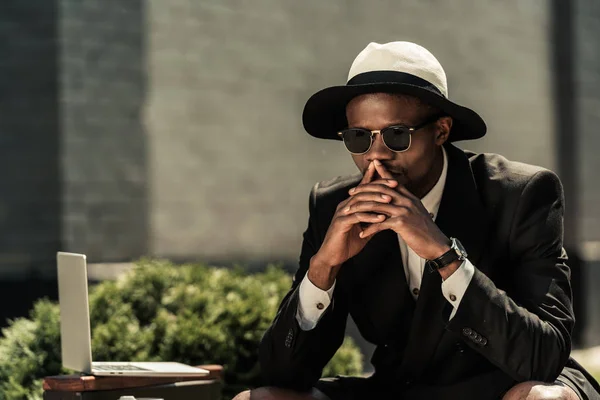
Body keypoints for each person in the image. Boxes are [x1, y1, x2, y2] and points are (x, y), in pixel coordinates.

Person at [233, 42, 600, 400]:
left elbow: (544, 356)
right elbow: (285, 374)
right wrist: (324, 267)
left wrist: (444, 255)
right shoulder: (334, 206)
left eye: (397, 135)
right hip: (400, 389)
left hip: (505, 385)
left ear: (441, 130)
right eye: (359, 137)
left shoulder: (520, 194)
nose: (376, 154)